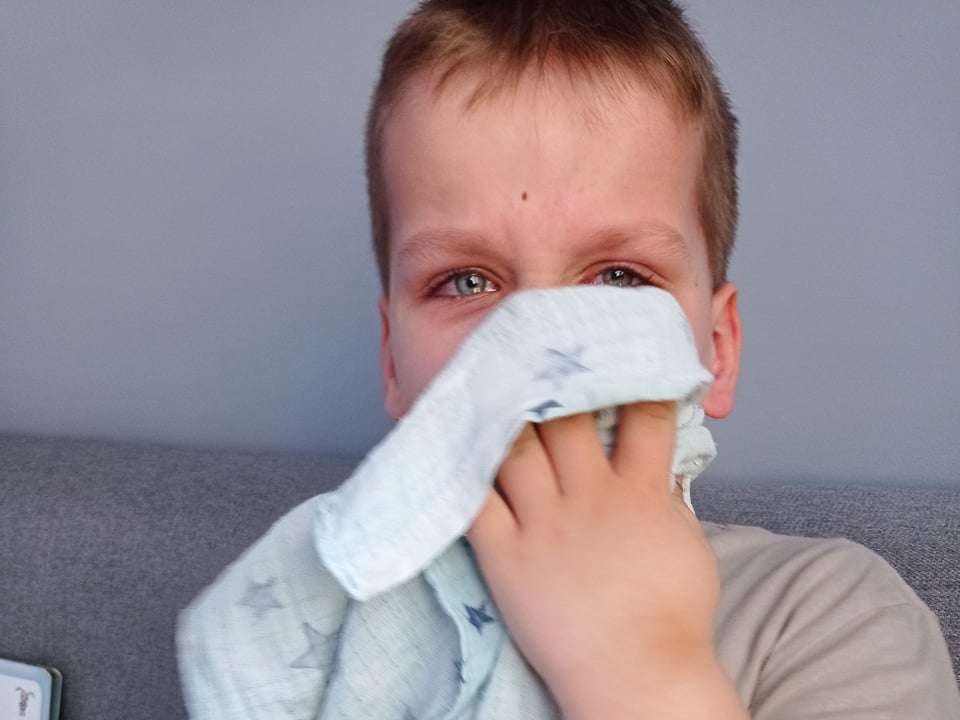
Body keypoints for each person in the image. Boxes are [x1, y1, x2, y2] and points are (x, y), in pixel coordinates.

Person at [177, 1, 960, 717]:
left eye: (619, 278)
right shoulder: (317, 629)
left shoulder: (828, 615)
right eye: (467, 281)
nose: (538, 343)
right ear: (392, 364)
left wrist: (633, 661)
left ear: (715, 354)